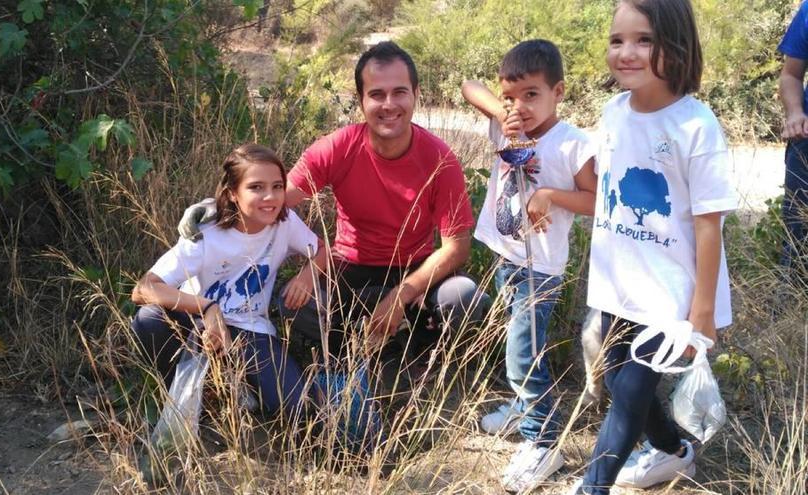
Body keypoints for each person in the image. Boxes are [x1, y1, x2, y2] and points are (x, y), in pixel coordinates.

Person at [180, 42, 487, 367]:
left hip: (415, 269)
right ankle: (352, 349)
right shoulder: (339, 146)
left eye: (399, 92)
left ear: (415, 94)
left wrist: (402, 294)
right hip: (350, 268)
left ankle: (419, 353)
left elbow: (456, 248)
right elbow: (278, 198)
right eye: (376, 94)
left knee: (463, 297)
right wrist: (213, 208)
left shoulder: (440, 159)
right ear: (361, 100)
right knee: (293, 302)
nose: (389, 105)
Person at [569, 1, 737, 493]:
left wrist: (701, 312)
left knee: (628, 396)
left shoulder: (696, 125)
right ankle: (674, 451)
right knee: (624, 385)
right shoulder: (613, 112)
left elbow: (709, 225)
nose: (627, 52)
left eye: (644, 40)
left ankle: (591, 487)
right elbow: (609, 191)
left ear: (676, 43)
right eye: (617, 40)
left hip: (670, 297)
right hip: (618, 286)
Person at [461, 39, 597, 492]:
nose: (521, 105)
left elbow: (596, 201)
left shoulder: (573, 143)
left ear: (558, 91)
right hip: (508, 258)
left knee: (525, 354)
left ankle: (543, 443)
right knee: (516, 342)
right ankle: (523, 409)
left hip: (540, 269)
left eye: (532, 94)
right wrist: (504, 114)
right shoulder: (507, 128)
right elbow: (468, 85)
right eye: (511, 96)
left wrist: (550, 196)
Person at [131, 144, 329, 419]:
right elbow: (144, 288)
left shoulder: (285, 222)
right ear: (233, 194)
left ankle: (235, 387)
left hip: (250, 329)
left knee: (296, 408)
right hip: (197, 323)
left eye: (277, 186)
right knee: (149, 319)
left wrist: (307, 275)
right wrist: (208, 308)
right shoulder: (206, 232)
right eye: (256, 187)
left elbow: (323, 249)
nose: (270, 197)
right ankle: (183, 394)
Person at [778, 0, 808, 283]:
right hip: (806, 143)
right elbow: (790, 74)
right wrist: (795, 112)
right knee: (797, 234)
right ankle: (787, 320)